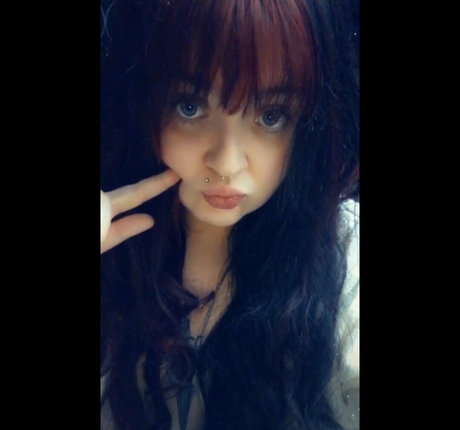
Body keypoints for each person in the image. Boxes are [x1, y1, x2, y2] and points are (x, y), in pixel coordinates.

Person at [100, 0, 360, 429]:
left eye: (271, 115)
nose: (227, 163)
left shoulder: (344, 260)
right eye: (189, 107)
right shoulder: (111, 243)